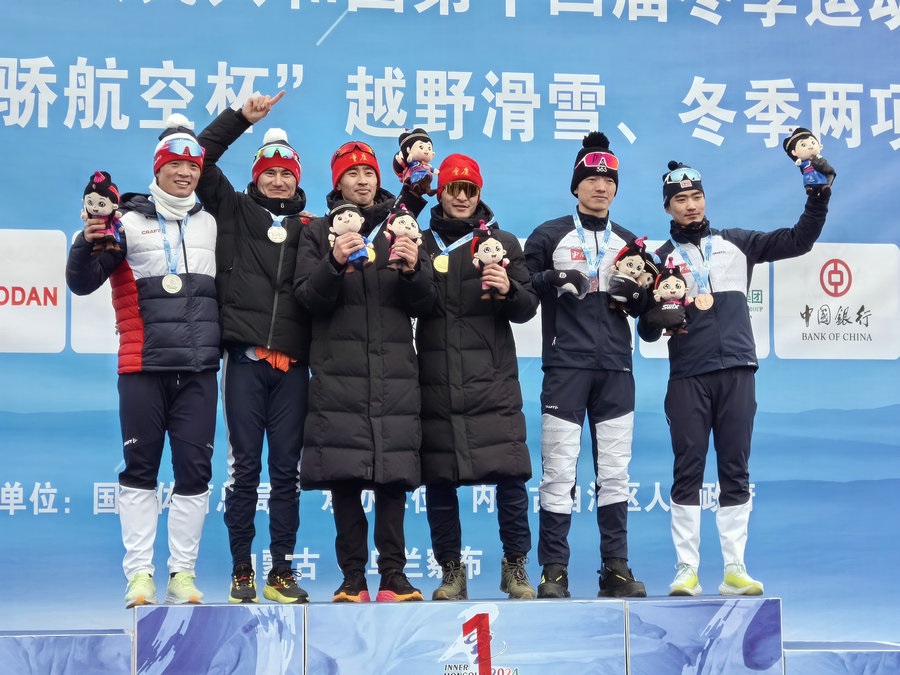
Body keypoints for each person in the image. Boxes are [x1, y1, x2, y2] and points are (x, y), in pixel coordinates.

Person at [637, 158, 832, 597]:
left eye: (696, 196)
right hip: (688, 375)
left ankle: (734, 569)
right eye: (680, 200)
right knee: (687, 470)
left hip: (738, 370)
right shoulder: (658, 260)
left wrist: (818, 196)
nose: (690, 205)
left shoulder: (737, 243)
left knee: (735, 469)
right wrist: (656, 319)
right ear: (668, 208)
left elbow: (799, 240)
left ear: (705, 199)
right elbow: (646, 330)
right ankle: (686, 569)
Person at [65, 115, 219, 608]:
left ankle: (183, 574)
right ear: (158, 168)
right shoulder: (126, 222)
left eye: (192, 166)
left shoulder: (211, 221)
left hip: (198, 369)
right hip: (142, 365)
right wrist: (85, 238)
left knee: (194, 473)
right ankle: (139, 576)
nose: (184, 173)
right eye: (175, 164)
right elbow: (82, 282)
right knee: (140, 470)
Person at [293, 140, 433, 602]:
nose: (362, 180)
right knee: (346, 478)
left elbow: (425, 302)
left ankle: (394, 575)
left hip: (394, 371)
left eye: (369, 173)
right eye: (351, 174)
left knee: (393, 478)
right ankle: (352, 577)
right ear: (337, 183)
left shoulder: (401, 226)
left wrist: (413, 271)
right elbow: (307, 298)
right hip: (340, 372)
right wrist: (334, 262)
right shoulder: (318, 232)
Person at [195, 92, 312, 604]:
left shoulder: (313, 229)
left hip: (293, 369)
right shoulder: (234, 210)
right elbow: (199, 158)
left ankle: (281, 570)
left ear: (298, 179)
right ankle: (241, 569)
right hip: (244, 363)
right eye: (270, 173)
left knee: (287, 472)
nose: (279, 180)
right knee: (245, 469)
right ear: (257, 176)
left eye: (287, 173)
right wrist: (241, 118)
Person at [524, 131, 648, 599]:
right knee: (558, 472)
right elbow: (519, 283)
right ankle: (553, 570)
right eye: (592, 179)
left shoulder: (629, 242)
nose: (601, 186)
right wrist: (551, 276)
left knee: (615, 474)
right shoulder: (550, 234)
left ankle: (615, 568)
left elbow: (651, 305)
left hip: (616, 370)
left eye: (609, 180)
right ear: (575, 185)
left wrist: (641, 299)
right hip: (566, 367)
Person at [417, 154, 539, 601]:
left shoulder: (501, 242)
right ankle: (451, 571)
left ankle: (515, 567)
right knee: (439, 480)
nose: (462, 197)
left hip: (492, 379)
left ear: (479, 193)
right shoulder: (421, 242)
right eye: (454, 189)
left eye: (469, 190)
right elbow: (408, 302)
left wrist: (509, 289)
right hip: (434, 379)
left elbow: (527, 307)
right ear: (441, 192)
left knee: (511, 475)